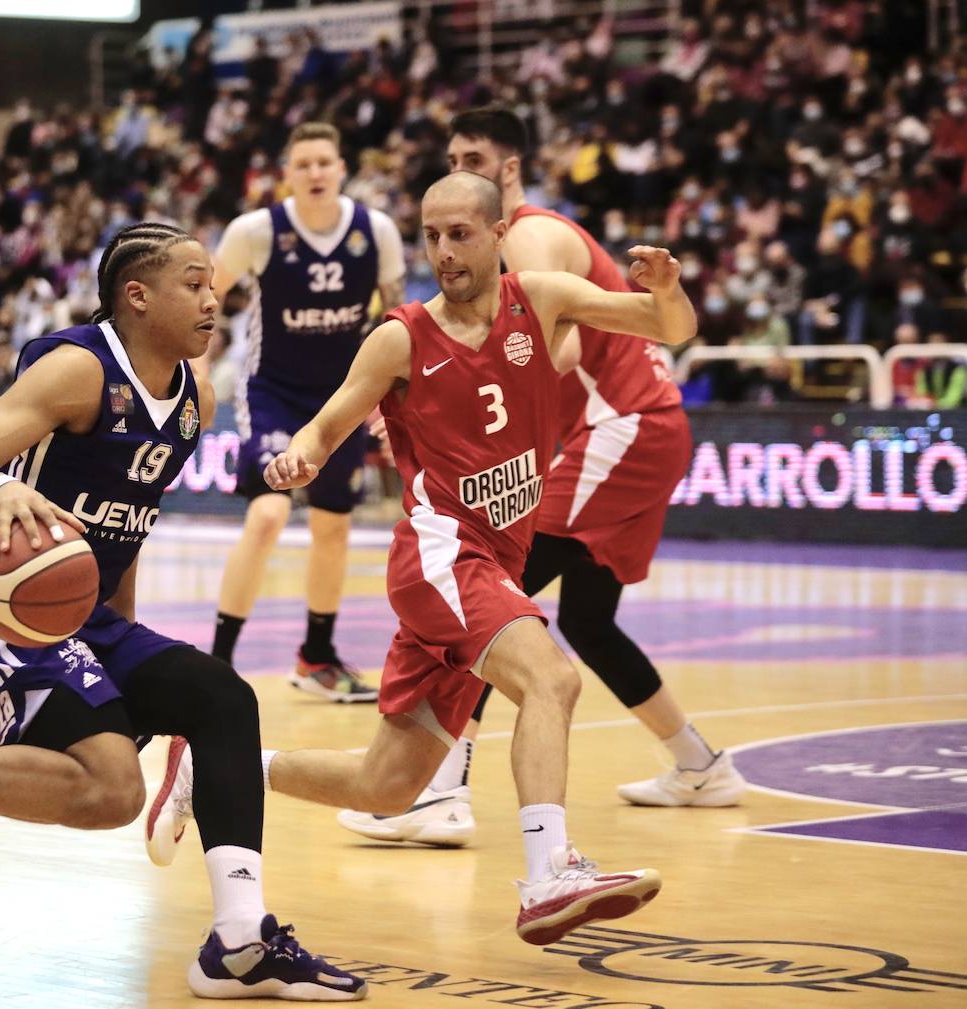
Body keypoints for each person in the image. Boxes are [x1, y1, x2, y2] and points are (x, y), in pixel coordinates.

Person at [0, 223, 368, 1002]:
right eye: (192, 283)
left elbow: (124, 536)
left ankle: (239, 938)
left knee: (222, 697)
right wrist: (0, 489)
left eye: (214, 284)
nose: (211, 297)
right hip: (1, 609)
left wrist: (125, 660)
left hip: (89, 617)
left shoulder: (197, 399)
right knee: (114, 791)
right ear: (137, 295)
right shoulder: (77, 371)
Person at [149, 174, 695, 947]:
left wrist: (667, 288)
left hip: (485, 567)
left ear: (500, 233)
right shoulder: (403, 335)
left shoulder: (538, 298)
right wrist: (298, 458)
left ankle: (211, 766)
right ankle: (550, 874)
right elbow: (330, 420)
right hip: (443, 556)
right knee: (553, 676)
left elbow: (667, 325)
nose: (443, 251)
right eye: (431, 236)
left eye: (460, 234)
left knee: (389, 783)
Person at [338, 107, 745, 848]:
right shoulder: (501, 242)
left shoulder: (524, 238)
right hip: (641, 426)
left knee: (497, 591)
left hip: (619, 424)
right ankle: (700, 764)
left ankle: (441, 788)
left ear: (509, 173)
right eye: (451, 155)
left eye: (474, 157)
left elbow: (537, 353)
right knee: (585, 620)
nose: (459, 167)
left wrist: (434, 394)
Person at [207, 122, 406, 701]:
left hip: (344, 396)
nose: (316, 172)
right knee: (267, 516)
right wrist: (193, 370)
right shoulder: (256, 231)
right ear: (287, 174)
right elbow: (207, 299)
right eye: (304, 164)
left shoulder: (379, 232)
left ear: (342, 168)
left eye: (325, 162)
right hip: (273, 391)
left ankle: (316, 657)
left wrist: (395, 401)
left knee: (333, 526)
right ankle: (218, 662)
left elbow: (396, 320)